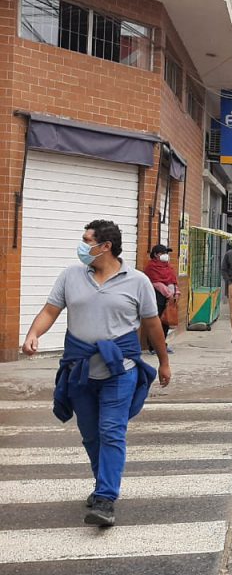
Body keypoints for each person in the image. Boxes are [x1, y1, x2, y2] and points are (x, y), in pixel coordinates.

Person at [21, 220, 171, 527]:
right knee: (90, 435)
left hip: (121, 370)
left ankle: (105, 498)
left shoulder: (138, 281)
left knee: (112, 431)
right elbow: (51, 310)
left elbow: (153, 324)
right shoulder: (71, 276)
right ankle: (103, 483)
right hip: (80, 370)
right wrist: (33, 334)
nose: (81, 245)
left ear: (105, 247)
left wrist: (164, 362)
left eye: (86, 240)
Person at [143, 244, 178, 354]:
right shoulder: (151, 267)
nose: (165, 255)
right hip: (157, 297)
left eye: (166, 253)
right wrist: (168, 293)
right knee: (155, 321)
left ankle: (162, 344)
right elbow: (155, 283)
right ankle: (153, 346)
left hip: (169, 299)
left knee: (166, 322)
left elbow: (173, 280)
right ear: (155, 255)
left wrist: (176, 292)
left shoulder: (168, 267)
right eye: (162, 253)